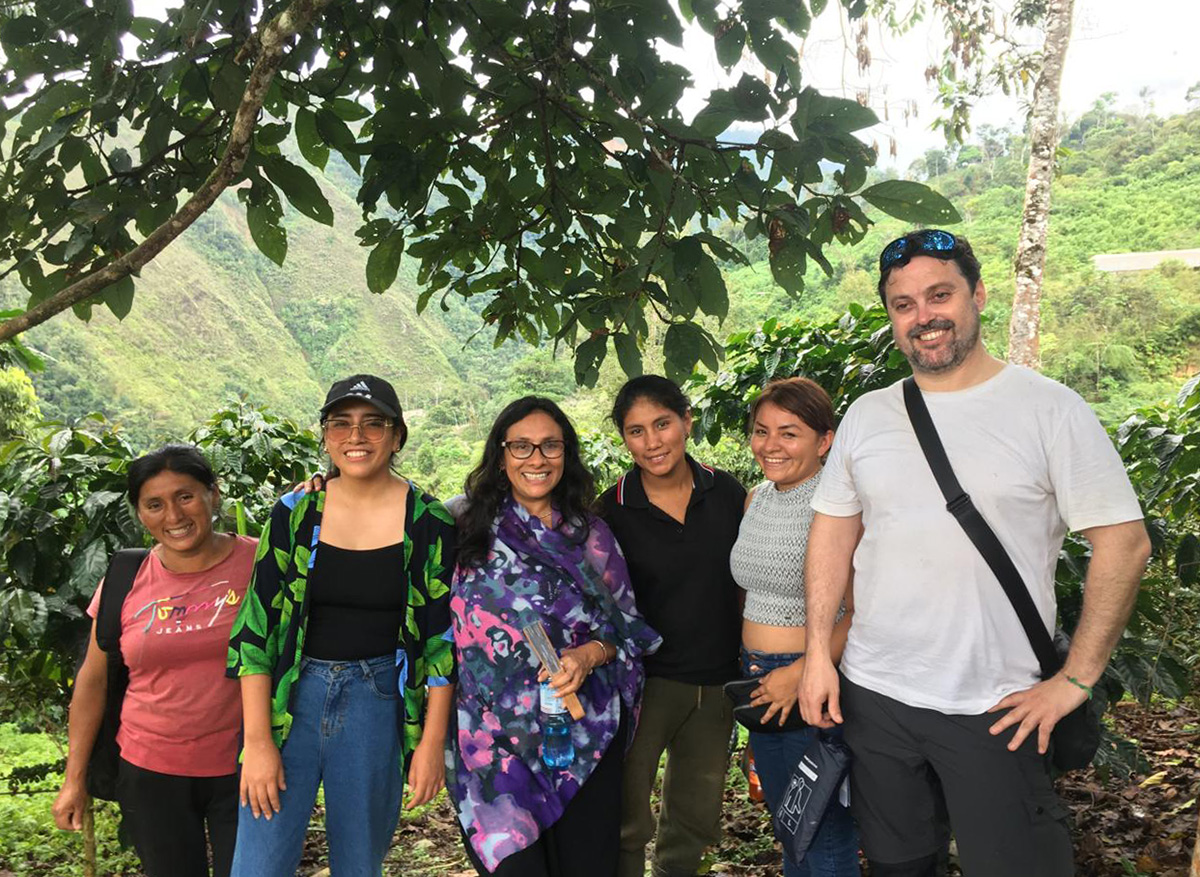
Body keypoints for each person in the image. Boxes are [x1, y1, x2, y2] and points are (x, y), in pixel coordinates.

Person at [798, 230, 1151, 877]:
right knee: (901, 863)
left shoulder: (1049, 410)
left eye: (939, 294)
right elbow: (832, 531)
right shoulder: (868, 416)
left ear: (977, 294)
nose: (923, 315)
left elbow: (1124, 542)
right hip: (877, 697)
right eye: (903, 304)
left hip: (995, 706)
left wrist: (1076, 679)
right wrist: (819, 652)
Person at [226, 374, 456, 877]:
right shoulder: (296, 512)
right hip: (293, 701)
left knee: (359, 864)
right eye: (341, 424)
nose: (357, 436)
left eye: (374, 424)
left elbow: (440, 642)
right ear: (326, 435)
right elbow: (255, 633)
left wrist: (431, 744)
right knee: (257, 865)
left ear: (397, 437)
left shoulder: (427, 521)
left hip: (376, 705)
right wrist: (259, 742)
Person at [449, 395, 661, 877]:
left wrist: (588, 655)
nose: (537, 459)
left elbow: (625, 634)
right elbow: (383, 513)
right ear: (501, 456)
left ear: (566, 454)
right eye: (521, 446)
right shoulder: (462, 527)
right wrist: (325, 487)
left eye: (550, 446)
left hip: (581, 739)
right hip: (492, 745)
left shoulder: (592, 537)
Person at [52, 445, 256, 877]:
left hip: (248, 768)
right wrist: (75, 779)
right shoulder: (126, 577)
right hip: (150, 771)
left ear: (213, 495)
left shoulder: (259, 563)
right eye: (154, 504)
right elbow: (92, 682)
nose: (174, 516)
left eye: (185, 496)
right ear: (140, 513)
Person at [598, 375, 746, 877]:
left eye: (662, 424)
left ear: (685, 421)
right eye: (636, 431)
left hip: (717, 681)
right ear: (624, 439)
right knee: (625, 812)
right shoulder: (610, 509)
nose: (652, 441)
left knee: (695, 815)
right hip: (644, 684)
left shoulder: (725, 491)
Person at [729, 377, 860, 876]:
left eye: (790, 433)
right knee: (790, 823)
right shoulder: (756, 499)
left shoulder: (839, 504)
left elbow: (863, 612)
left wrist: (807, 667)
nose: (771, 445)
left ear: (824, 440)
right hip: (762, 679)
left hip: (812, 680)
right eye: (762, 431)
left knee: (822, 829)